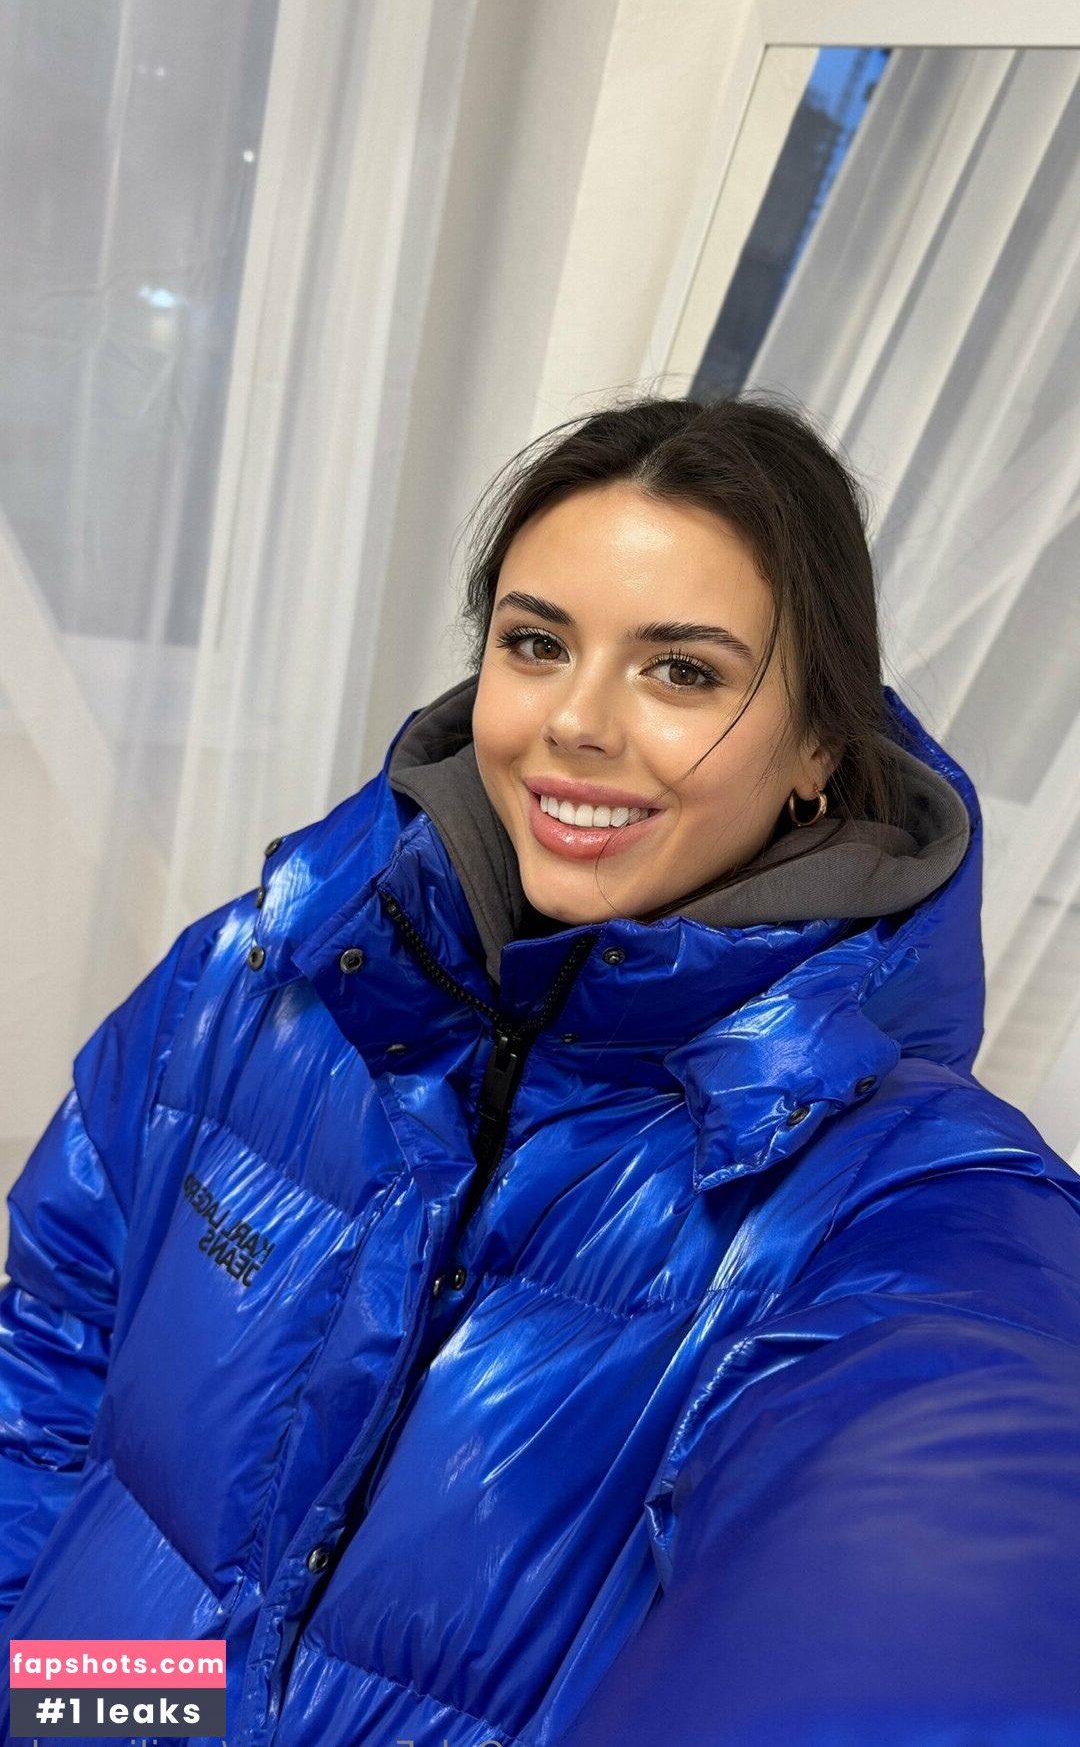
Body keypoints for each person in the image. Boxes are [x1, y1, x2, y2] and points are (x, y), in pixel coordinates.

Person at [2, 396, 1079, 1747]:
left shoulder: (899, 1192)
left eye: (680, 671)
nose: (577, 719)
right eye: (537, 643)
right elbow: (50, 1347)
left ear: (818, 746)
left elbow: (945, 1573)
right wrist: (58, 1699)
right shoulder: (259, 979)